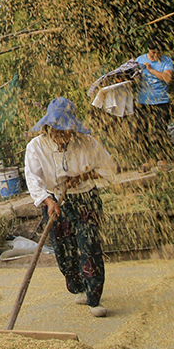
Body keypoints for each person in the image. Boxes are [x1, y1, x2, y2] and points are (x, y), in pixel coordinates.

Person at [23, 97, 117, 318]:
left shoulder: (87, 142)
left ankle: (95, 298)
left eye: (66, 130)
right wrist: (48, 202)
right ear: (48, 128)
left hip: (85, 198)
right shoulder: (35, 147)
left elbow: (110, 167)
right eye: (57, 130)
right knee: (64, 251)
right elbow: (33, 180)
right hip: (55, 200)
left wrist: (85, 175)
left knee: (89, 246)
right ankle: (79, 286)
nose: (62, 135)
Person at [135, 38, 174, 164]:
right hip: (142, 101)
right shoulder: (139, 60)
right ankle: (145, 161)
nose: (156, 55)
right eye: (153, 53)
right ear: (148, 50)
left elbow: (167, 78)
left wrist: (151, 70)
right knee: (141, 131)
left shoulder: (166, 61)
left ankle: (163, 159)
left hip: (161, 100)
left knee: (160, 130)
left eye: (159, 53)